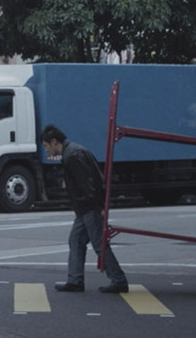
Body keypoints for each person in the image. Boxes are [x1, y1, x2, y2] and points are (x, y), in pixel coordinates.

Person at [40, 124, 129, 294]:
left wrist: (98, 207)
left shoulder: (72, 155)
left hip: (89, 207)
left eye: (46, 146)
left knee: (98, 243)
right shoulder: (73, 152)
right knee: (76, 240)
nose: (47, 150)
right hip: (85, 208)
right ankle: (75, 280)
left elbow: (88, 185)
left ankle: (118, 279)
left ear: (54, 142)